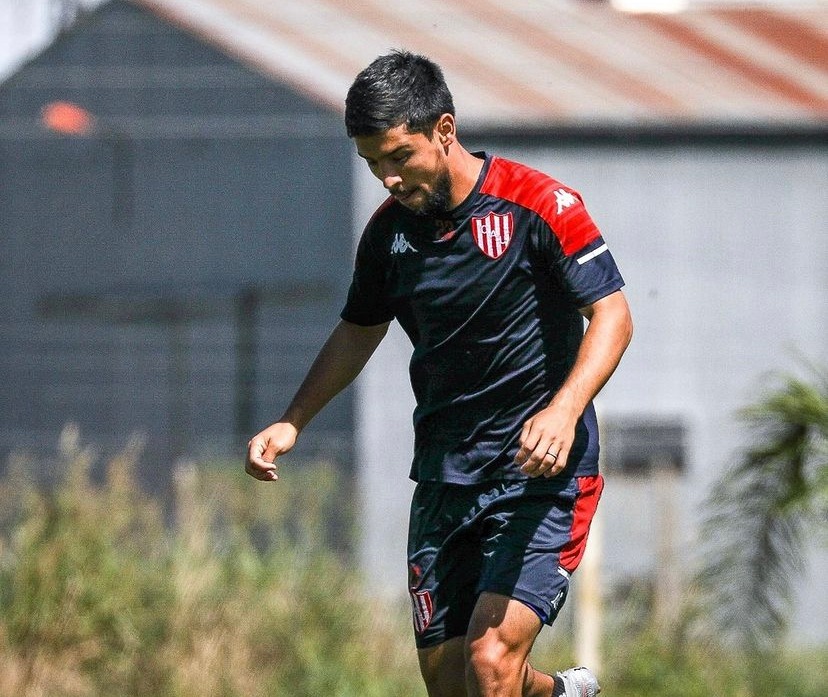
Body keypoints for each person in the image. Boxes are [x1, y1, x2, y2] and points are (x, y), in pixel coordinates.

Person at [246, 50, 632, 697]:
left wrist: (564, 410)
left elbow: (613, 314)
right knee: (452, 681)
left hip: (540, 475)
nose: (389, 177)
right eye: (374, 163)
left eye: (400, 156)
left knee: (490, 660)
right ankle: (562, 693)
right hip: (444, 475)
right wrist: (293, 421)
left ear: (444, 130)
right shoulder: (388, 236)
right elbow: (359, 328)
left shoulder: (539, 204)